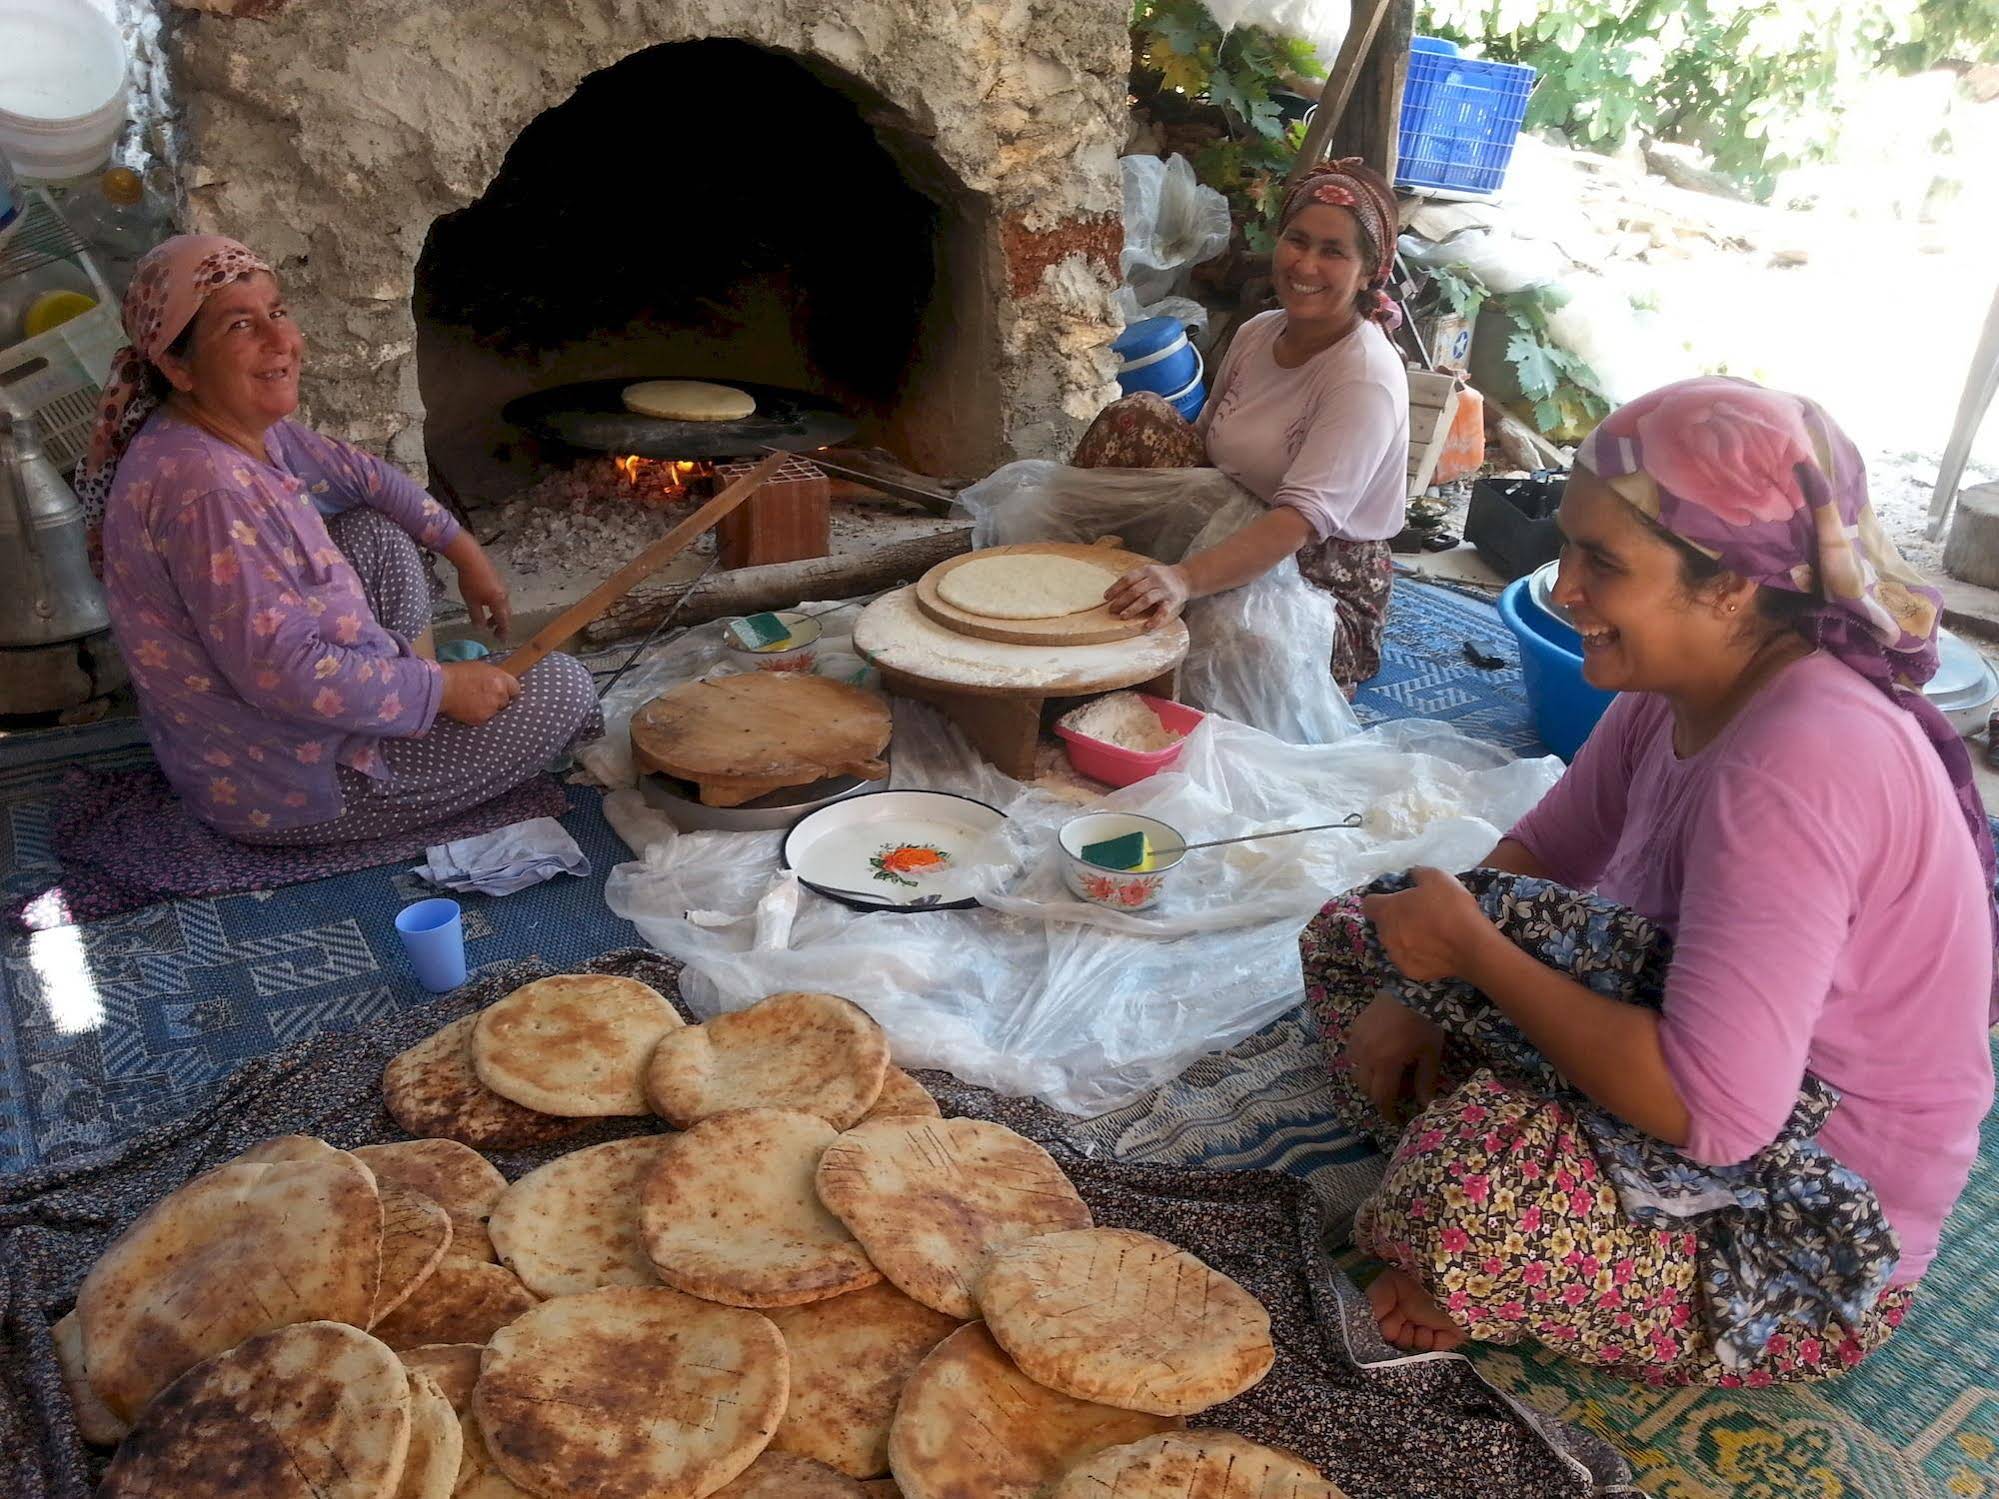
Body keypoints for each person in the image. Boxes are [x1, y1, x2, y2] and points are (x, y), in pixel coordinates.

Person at [1300, 377, 1995, 1385]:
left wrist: (1470, 958)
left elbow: (1717, 1113)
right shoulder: (1684, 677)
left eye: (1601, 561)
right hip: (1700, 1078)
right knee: (1359, 931)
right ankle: (1498, 1154)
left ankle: (1484, 1214)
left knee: (1468, 1180)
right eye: (1568, 545)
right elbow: (1540, 854)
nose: (1563, 588)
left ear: (1729, 586)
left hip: (1804, 1220)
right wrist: (1424, 979)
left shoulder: (1796, 767)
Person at [78, 235, 601, 845]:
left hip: (294, 722)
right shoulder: (207, 492)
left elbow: (369, 478)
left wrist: (465, 553)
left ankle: (409, 699)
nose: (279, 342)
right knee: (565, 688)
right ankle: (408, 730)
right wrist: (439, 690)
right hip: (284, 781)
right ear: (177, 366)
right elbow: (286, 674)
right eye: (240, 326)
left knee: (373, 531)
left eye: (276, 312)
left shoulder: (238, 432)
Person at [1075, 157, 1411, 695]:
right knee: (1135, 418)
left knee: (1232, 643)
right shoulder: (1258, 332)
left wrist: (1184, 578)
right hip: (1226, 512)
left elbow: (1296, 524)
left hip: (1318, 574)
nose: (1305, 266)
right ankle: (1076, 582)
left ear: (1370, 270)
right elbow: (1203, 443)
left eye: (1333, 252)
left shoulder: (1364, 378)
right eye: (1297, 240)